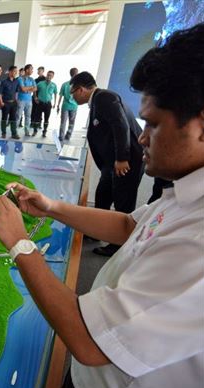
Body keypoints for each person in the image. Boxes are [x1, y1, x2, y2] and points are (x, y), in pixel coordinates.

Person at [0, 22, 204, 388]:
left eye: (152, 124)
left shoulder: (200, 241)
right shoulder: (187, 195)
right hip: (91, 381)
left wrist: (20, 243)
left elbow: (88, 342)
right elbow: (127, 225)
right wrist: (51, 206)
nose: (141, 137)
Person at [70, 71, 144, 257]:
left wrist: (122, 158)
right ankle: (97, 231)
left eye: (72, 93)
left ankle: (118, 244)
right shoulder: (98, 100)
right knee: (103, 194)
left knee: (123, 201)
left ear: (80, 89)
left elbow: (121, 126)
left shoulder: (105, 98)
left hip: (126, 161)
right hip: (111, 163)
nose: (72, 97)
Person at [31, 70, 58, 137]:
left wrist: (55, 103)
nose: (49, 76)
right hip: (40, 103)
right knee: (36, 118)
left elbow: (55, 94)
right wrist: (35, 97)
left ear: (53, 77)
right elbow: (34, 90)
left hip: (48, 104)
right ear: (46, 75)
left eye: (51, 75)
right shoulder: (40, 83)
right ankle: (35, 131)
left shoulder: (54, 85)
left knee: (46, 118)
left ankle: (44, 132)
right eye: (48, 75)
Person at [57, 68, 79, 141]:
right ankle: (63, 136)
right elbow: (60, 95)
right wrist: (58, 105)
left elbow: (60, 96)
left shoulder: (77, 85)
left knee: (68, 122)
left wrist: (58, 105)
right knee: (67, 122)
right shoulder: (65, 84)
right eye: (75, 73)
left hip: (73, 106)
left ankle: (65, 136)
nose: (76, 74)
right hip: (67, 106)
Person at [0, 65, 21, 139]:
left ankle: (14, 133)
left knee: (13, 118)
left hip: (13, 103)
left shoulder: (17, 81)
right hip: (5, 103)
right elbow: (0, 93)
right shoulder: (4, 82)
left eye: (16, 72)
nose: (15, 73)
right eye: (14, 71)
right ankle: (3, 133)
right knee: (4, 118)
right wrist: (1, 102)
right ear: (10, 72)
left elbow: (17, 92)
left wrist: (17, 101)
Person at [16, 64, 37, 136]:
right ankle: (15, 132)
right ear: (27, 70)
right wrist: (30, 87)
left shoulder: (32, 79)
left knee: (28, 116)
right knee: (18, 116)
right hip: (21, 100)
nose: (32, 71)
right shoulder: (20, 78)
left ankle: (27, 132)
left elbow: (35, 88)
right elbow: (22, 89)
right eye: (31, 69)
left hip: (29, 101)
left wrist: (27, 89)